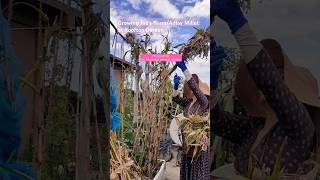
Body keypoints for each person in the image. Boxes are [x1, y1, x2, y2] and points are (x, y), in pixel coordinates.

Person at [212, 0, 320, 178]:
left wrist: (237, 23)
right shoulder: (253, 129)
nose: (269, 80)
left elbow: (273, 86)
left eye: (281, 75)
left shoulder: (300, 130)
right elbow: (215, 121)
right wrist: (214, 82)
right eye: (274, 72)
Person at [172, 60, 210, 180]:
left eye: (193, 85)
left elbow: (195, 88)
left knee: (196, 174)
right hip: (187, 144)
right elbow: (176, 99)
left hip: (198, 146)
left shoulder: (204, 102)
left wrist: (184, 69)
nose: (190, 87)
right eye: (189, 86)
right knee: (187, 173)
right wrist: (176, 86)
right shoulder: (188, 103)